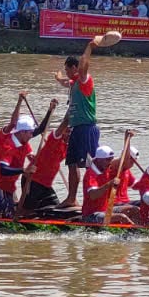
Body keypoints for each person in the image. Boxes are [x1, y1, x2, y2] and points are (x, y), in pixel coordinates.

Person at [54, 38, 101, 208]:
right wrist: (59, 79)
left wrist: (90, 47)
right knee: (72, 163)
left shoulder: (84, 80)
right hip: (76, 129)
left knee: (92, 166)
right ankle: (72, 198)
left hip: (87, 128)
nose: (66, 73)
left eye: (67, 70)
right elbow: (65, 82)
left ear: (74, 69)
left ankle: (95, 198)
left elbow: (83, 65)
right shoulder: (73, 83)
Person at [0, 97, 41, 217]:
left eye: (31, 132)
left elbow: (40, 130)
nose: (32, 135)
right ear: (21, 132)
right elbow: (3, 170)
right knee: (5, 211)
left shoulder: (23, 141)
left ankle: (3, 209)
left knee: (12, 208)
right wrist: (24, 170)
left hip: (6, 180)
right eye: (29, 132)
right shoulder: (8, 144)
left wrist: (51, 110)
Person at [20, 101, 66, 214]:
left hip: (45, 183)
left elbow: (41, 129)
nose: (69, 134)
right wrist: (72, 110)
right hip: (32, 179)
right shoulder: (54, 140)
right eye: (68, 131)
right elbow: (64, 123)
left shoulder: (69, 144)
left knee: (55, 208)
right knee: (26, 211)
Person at [80, 146, 134, 225]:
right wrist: (110, 184)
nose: (110, 162)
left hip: (105, 210)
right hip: (91, 215)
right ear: (98, 160)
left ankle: (145, 227)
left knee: (134, 209)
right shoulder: (91, 174)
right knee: (122, 217)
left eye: (111, 159)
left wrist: (127, 139)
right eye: (108, 159)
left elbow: (124, 161)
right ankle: (139, 233)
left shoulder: (106, 168)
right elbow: (93, 195)